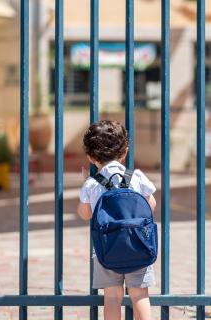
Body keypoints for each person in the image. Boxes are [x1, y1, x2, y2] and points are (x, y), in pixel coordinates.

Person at [77, 120, 157, 320]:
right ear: (125, 152)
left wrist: (85, 188)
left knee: (112, 297)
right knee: (139, 295)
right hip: (138, 245)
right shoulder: (136, 176)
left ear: (90, 156)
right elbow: (151, 206)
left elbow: (85, 214)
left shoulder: (91, 184)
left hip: (106, 249)